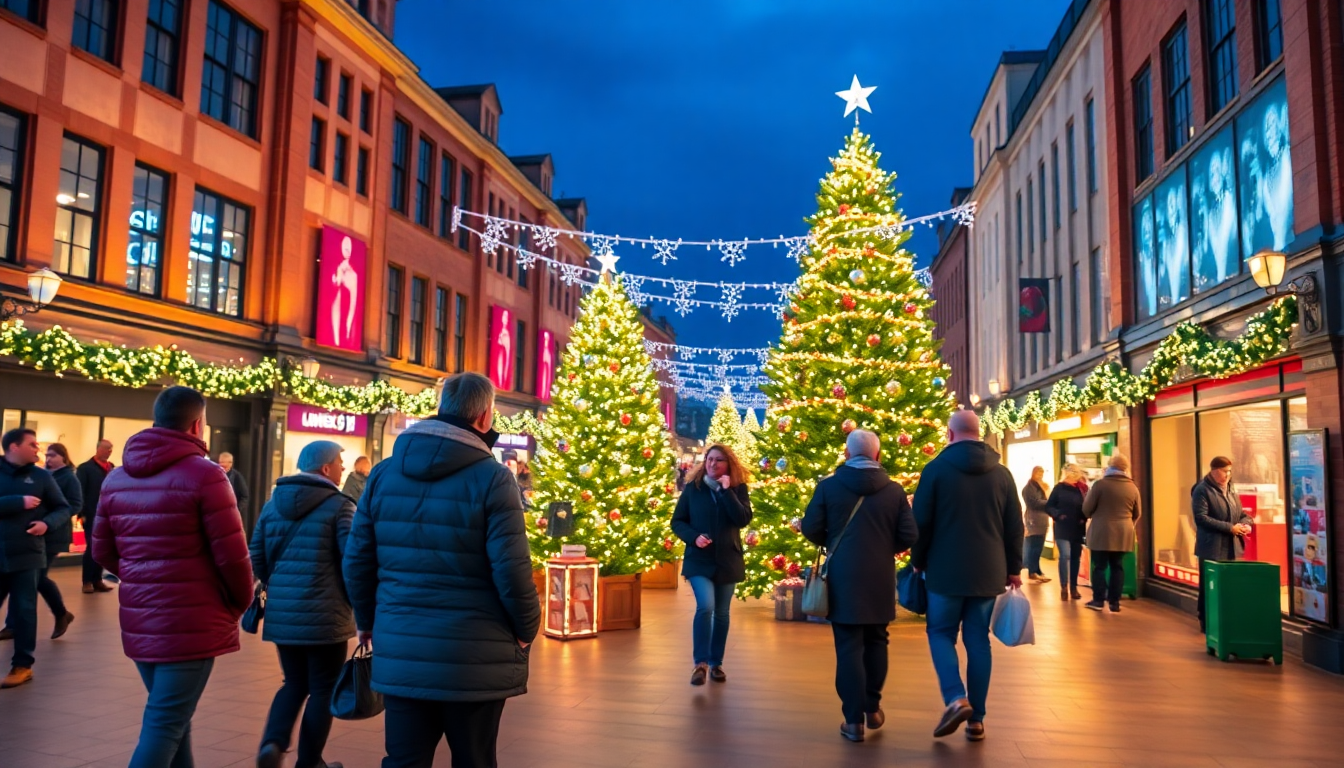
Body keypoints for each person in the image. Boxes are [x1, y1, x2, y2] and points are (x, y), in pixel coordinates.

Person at [344, 372, 540, 768]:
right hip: (474, 652)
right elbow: (512, 569)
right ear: (485, 416)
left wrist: (367, 621)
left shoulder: (383, 473)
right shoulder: (494, 479)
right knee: (473, 758)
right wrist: (526, 628)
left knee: (404, 759)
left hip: (400, 645)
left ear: (442, 408)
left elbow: (357, 559)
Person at [93, 386, 255, 768]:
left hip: (141, 617)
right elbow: (233, 556)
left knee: (174, 720)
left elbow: (102, 550)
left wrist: (139, 577)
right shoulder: (207, 474)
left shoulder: (116, 477)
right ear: (197, 423)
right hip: (191, 621)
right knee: (166, 724)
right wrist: (238, 602)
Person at [910, 410, 1022, 742]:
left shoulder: (935, 471)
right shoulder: (1002, 474)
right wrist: (1014, 568)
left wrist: (918, 560)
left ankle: (956, 698)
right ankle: (978, 720)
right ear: (980, 433)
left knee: (941, 633)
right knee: (977, 640)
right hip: (989, 571)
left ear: (949, 434)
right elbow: (1014, 527)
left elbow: (921, 523)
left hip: (945, 569)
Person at [801, 430, 918, 743]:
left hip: (842, 576)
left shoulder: (828, 487)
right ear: (877, 456)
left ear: (847, 454)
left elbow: (811, 528)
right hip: (879, 575)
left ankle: (853, 722)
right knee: (878, 640)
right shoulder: (894, 491)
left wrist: (836, 543)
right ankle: (873, 706)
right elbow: (909, 535)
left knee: (849, 646)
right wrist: (882, 547)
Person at [251, 441, 356, 768]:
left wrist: (278, 584)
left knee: (294, 682)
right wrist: (356, 602)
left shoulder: (273, 504)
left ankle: (273, 742)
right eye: (340, 462)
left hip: (284, 615)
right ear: (326, 469)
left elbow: (256, 555)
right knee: (324, 688)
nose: (343, 467)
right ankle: (310, 762)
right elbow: (352, 560)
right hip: (327, 616)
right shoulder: (340, 506)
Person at [671, 443, 753, 687]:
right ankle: (700, 663)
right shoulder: (693, 489)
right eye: (709, 459)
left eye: (718, 460)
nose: (712, 463)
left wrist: (727, 492)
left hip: (728, 559)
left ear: (729, 464)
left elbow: (742, 519)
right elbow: (678, 522)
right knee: (706, 606)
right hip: (699, 559)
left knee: (723, 613)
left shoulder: (738, 489)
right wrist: (694, 536)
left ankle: (717, 663)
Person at [0, 428, 72, 689]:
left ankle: (22, 665)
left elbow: (63, 507)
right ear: (13, 447)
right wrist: (17, 501)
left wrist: (46, 524)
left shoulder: (41, 476)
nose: (38, 450)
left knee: (25, 610)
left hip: (28, 553)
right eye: (32, 444)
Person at [1191, 456, 1251, 632]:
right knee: (1209, 586)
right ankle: (1206, 621)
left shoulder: (1231, 489)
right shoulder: (1202, 490)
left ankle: (1225, 619)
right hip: (1211, 547)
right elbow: (1201, 518)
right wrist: (1229, 528)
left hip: (1232, 546)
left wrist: (1247, 523)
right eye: (1225, 471)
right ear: (1214, 470)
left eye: (1230, 471)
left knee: (1228, 585)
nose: (1228, 475)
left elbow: (1240, 512)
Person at [1082, 453, 1142, 613]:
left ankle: (1098, 600)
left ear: (1110, 466)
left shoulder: (1100, 485)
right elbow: (1138, 513)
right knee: (1117, 567)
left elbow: (1086, 509)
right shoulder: (1132, 487)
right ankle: (1114, 603)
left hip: (1102, 532)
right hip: (1124, 533)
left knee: (1099, 567)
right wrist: (1129, 525)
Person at [76, 439, 115, 593]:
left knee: (102, 547)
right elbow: (80, 492)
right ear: (98, 449)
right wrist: (82, 513)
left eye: (111, 449)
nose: (109, 451)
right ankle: (87, 581)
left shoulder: (111, 468)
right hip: (91, 514)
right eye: (106, 448)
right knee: (92, 547)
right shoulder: (85, 469)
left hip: (107, 515)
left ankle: (97, 579)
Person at [1045, 464, 1088, 601]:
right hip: (1062, 526)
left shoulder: (1081, 489)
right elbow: (1049, 505)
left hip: (1077, 527)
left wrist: (1084, 517)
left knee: (1076, 557)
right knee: (1065, 555)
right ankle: (1064, 586)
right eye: (1072, 474)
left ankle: (1073, 588)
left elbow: (1087, 506)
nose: (1075, 476)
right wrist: (1057, 515)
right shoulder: (1059, 488)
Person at [1021, 467, 1052, 583]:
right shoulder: (1029, 488)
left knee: (1039, 546)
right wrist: (1049, 502)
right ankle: (1032, 571)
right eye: (1038, 472)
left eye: (1042, 473)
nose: (1040, 475)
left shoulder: (1042, 486)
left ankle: (1037, 570)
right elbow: (1034, 503)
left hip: (1042, 519)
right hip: (1034, 520)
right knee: (1034, 546)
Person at [218, 452, 251, 518]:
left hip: (231, 515)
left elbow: (244, 496)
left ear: (231, 464)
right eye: (221, 463)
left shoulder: (237, 477)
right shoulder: (214, 474)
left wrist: (236, 510)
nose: (223, 466)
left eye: (225, 465)